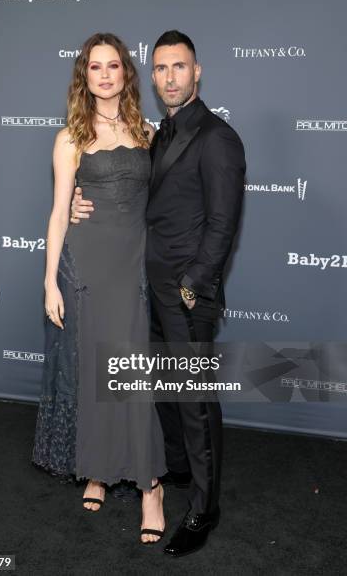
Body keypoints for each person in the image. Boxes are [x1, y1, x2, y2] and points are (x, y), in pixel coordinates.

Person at [70, 29, 246, 557]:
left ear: (198, 72)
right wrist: (81, 200)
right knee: (165, 398)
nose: (170, 77)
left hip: (185, 294)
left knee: (195, 402)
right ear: (153, 75)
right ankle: (168, 474)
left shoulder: (217, 137)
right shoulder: (159, 132)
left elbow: (223, 224)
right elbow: (127, 191)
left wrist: (193, 285)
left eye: (180, 67)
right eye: (162, 68)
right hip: (145, 288)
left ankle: (203, 509)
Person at [31, 32, 167, 545]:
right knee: (93, 370)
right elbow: (59, 210)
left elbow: (162, 204)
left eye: (113, 66)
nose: (105, 74)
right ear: (83, 76)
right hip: (84, 267)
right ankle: (97, 470)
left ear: (125, 74)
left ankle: (151, 487)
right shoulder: (70, 136)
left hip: (133, 266)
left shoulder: (147, 132)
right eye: (95, 67)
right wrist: (50, 281)